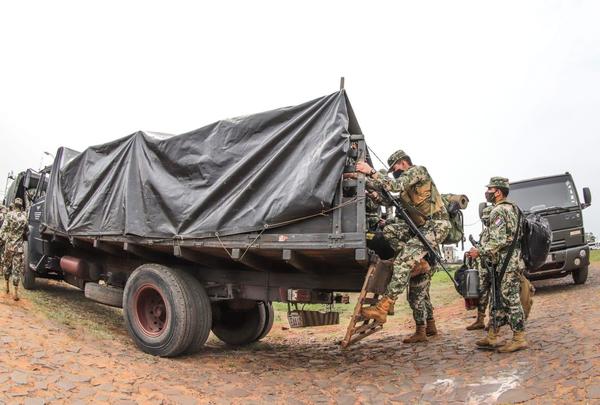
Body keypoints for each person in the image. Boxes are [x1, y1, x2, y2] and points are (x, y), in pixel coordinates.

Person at [356, 150, 450, 343]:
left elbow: (395, 185)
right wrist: (371, 192)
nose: (394, 171)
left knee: (401, 263)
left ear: (403, 163)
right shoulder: (408, 188)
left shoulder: (418, 171)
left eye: (395, 168)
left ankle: (383, 307)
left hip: (436, 225)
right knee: (390, 231)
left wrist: (370, 171)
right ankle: (420, 262)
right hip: (420, 228)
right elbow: (391, 200)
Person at [467, 177, 528, 353]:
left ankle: (519, 337)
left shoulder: (498, 211)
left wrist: (479, 251)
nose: (487, 192)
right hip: (507, 261)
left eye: (490, 189)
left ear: (498, 192)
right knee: (496, 299)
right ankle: (492, 336)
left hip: (507, 262)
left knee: (510, 299)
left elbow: (498, 240)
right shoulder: (513, 208)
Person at [465, 205, 493, 330]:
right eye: (484, 218)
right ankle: (480, 319)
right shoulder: (485, 233)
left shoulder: (496, 231)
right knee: (483, 293)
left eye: (488, 217)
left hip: (494, 267)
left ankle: (494, 321)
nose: (486, 220)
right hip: (484, 268)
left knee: (496, 296)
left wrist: (479, 251)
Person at [0, 198, 28, 301]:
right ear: (21, 206)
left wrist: (2, 240)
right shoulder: (24, 218)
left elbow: (3, 229)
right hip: (19, 248)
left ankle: (7, 287)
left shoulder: (9, 215)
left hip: (9, 246)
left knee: (7, 266)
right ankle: (15, 293)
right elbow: (27, 232)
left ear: (14, 205)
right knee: (16, 269)